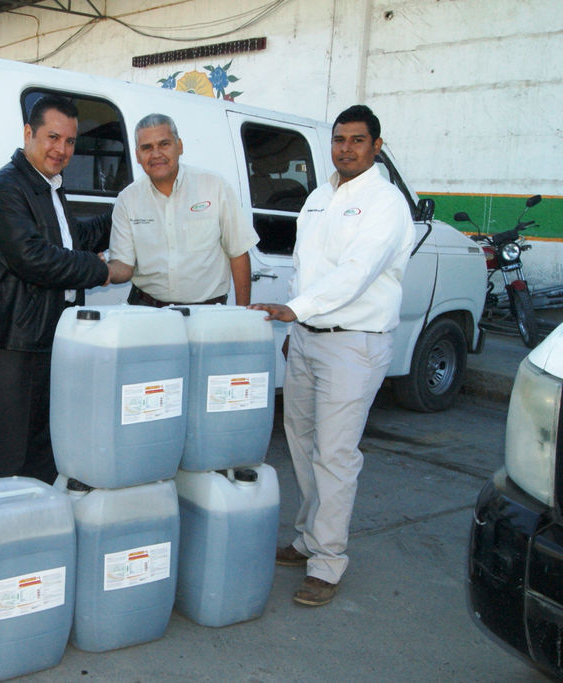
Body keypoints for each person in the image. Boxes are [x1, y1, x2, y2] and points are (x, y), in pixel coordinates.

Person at [250, 104, 414, 607]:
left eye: (357, 140)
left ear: (376, 146)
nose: (345, 148)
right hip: (307, 339)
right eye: (339, 139)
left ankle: (327, 561)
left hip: (353, 343)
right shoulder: (320, 196)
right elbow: (308, 267)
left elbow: (356, 273)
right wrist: (296, 325)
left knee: (336, 454)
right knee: (300, 442)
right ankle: (307, 537)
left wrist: (294, 310)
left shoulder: (385, 203)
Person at [0, 95, 111, 483]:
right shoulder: (7, 189)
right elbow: (34, 258)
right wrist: (101, 272)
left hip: (45, 339)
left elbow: (71, 238)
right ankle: (4, 538)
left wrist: (122, 211)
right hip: (11, 345)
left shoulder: (47, 186)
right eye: (52, 137)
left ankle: (37, 534)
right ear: (28, 133)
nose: (61, 149)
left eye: (69, 141)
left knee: (44, 454)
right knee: (8, 460)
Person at [107, 113, 257, 306]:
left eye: (164, 144)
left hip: (208, 313)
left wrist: (243, 314)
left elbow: (238, 252)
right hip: (148, 312)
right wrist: (102, 271)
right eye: (147, 148)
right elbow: (123, 265)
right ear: (137, 155)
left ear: (180, 146)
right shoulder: (127, 199)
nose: (156, 154)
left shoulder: (214, 186)